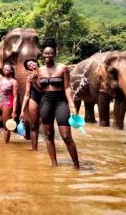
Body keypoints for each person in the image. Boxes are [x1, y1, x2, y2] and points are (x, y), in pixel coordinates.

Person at [38, 38, 79, 169]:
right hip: (45, 102)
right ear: (42, 55)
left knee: (66, 136)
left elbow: (67, 87)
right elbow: (40, 88)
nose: (48, 56)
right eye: (45, 53)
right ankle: (54, 164)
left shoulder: (63, 68)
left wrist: (71, 105)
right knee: (48, 135)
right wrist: (33, 81)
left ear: (55, 53)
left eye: (50, 53)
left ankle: (76, 166)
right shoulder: (40, 70)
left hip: (61, 102)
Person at [20, 58, 42, 151]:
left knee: (46, 124)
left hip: (46, 99)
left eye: (33, 62)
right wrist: (22, 110)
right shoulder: (29, 78)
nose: (32, 65)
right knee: (33, 125)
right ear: (28, 69)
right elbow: (27, 94)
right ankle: (34, 149)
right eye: (29, 65)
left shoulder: (45, 72)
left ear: (37, 63)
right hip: (34, 98)